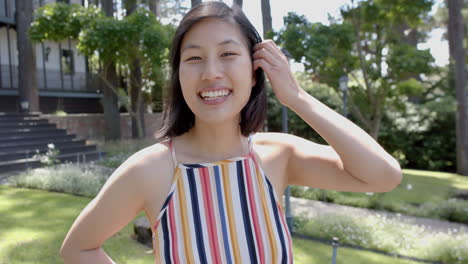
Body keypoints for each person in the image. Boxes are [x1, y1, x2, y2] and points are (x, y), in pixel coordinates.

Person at [60, 1, 402, 263]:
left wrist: (296, 97)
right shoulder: (151, 170)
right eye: (194, 59)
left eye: (228, 54)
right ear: (179, 75)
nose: (211, 72)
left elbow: (383, 176)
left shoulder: (277, 156)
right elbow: (78, 249)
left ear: (255, 72)